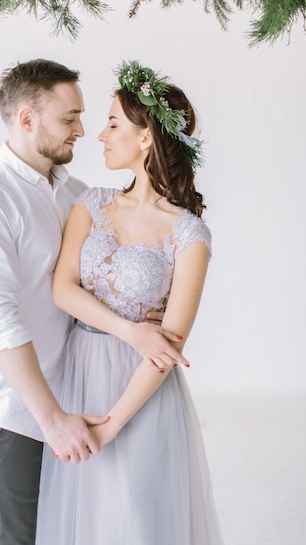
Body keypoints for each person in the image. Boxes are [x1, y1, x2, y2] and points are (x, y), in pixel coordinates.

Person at [0, 58, 179, 545]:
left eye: (82, 115)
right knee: (17, 539)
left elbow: (89, 284)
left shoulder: (77, 194)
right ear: (27, 120)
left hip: (80, 399)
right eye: (68, 118)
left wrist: (136, 312)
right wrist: (49, 419)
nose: (82, 129)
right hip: (15, 412)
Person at [36, 60, 224, 545]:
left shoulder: (189, 234)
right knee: (87, 519)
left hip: (142, 391)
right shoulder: (92, 204)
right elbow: (64, 289)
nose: (99, 134)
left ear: (146, 138)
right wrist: (132, 329)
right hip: (80, 374)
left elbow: (169, 345)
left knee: (139, 520)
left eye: (113, 122)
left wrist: (113, 424)